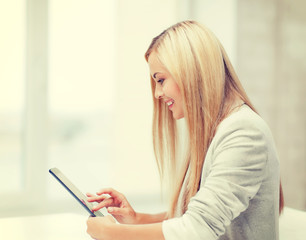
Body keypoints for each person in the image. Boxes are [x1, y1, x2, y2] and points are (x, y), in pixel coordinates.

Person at [86, 20, 284, 240]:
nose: (157, 94)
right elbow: (196, 216)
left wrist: (111, 233)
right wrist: (136, 219)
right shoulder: (217, 130)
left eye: (161, 80)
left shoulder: (244, 133)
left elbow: (198, 229)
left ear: (192, 71)